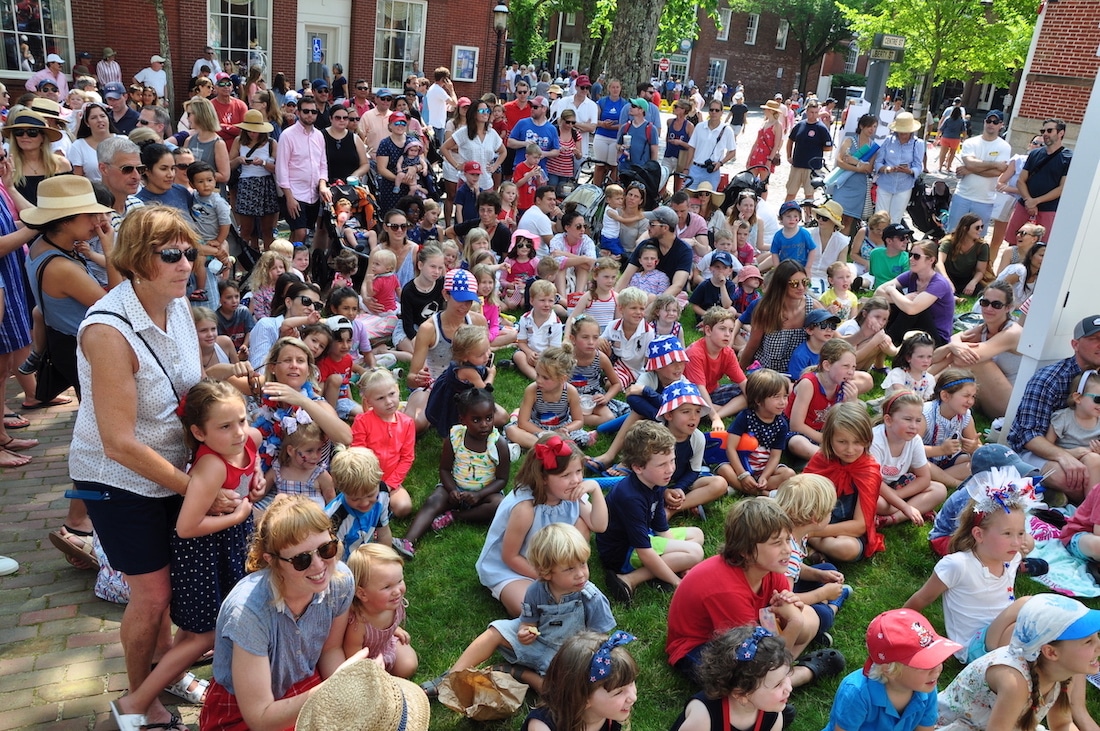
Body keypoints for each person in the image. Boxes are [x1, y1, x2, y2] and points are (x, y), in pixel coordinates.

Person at [67, 207, 227, 730]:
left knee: (172, 587)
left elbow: (193, 385)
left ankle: (164, 672)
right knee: (152, 593)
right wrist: (196, 489)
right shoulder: (108, 332)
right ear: (137, 260)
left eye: (190, 252)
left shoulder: (176, 304)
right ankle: (141, 700)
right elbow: (118, 443)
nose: (186, 264)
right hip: (119, 479)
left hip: (172, 468)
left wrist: (240, 384)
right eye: (171, 254)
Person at [111, 380, 259, 729]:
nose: (238, 432)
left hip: (228, 545)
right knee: (206, 634)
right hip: (203, 554)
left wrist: (257, 481)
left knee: (196, 634)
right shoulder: (212, 467)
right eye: (225, 426)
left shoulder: (248, 441)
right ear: (199, 432)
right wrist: (238, 516)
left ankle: (153, 690)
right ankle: (136, 701)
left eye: (241, 419)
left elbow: (251, 471)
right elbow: (186, 527)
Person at [195, 496, 360, 729]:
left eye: (326, 548)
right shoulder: (248, 612)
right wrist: (332, 690)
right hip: (248, 708)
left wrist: (346, 699)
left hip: (305, 683)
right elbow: (260, 718)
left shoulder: (340, 581)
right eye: (301, 559)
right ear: (272, 561)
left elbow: (330, 649)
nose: (319, 566)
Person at [666, 496, 843, 687]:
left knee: (812, 618)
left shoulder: (771, 569)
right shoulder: (727, 591)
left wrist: (793, 614)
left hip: (742, 634)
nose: (788, 550)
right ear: (747, 551)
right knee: (745, 683)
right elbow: (752, 659)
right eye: (777, 543)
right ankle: (802, 673)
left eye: (788, 540)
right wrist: (794, 622)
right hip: (699, 646)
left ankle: (777, 682)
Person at [422, 523, 615, 695]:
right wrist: (524, 630)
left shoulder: (591, 597)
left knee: (564, 691)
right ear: (546, 573)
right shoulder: (536, 590)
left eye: (583, 564)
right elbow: (528, 620)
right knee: (495, 631)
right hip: (538, 642)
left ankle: (523, 674)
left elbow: (601, 640)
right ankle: (450, 678)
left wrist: (578, 662)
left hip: (568, 655)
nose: (581, 574)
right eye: (569, 569)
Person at [475, 433, 609, 617]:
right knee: (531, 610)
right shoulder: (525, 508)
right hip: (515, 568)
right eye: (566, 475)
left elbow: (599, 525)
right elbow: (510, 557)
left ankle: (566, 569)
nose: (576, 480)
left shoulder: (571, 492)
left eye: (579, 471)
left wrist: (594, 488)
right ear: (543, 477)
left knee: (583, 523)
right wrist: (548, 578)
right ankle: (515, 595)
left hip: (550, 560)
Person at [936, 593, 1100, 731]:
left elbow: (1062, 723)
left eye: (1096, 637)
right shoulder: (1015, 682)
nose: (1098, 646)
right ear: (1051, 652)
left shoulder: (1062, 673)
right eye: (1088, 642)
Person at [597, 420, 706, 603]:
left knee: (697, 534)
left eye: (672, 460)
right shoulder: (630, 497)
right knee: (695, 552)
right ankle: (628, 580)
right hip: (622, 552)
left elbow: (660, 525)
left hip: (643, 539)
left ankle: (666, 568)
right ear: (638, 467)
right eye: (662, 464)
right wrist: (678, 583)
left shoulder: (656, 481)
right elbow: (644, 551)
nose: (670, 469)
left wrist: (676, 551)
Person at [1008, 313, 1100, 502]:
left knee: (1090, 469)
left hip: (1090, 454)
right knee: (1066, 476)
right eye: (1094, 339)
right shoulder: (1049, 379)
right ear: (1075, 345)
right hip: (1042, 452)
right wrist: (1064, 456)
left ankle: (1063, 498)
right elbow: (1029, 435)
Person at [823, 608, 962, 731]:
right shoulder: (857, 693)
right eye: (925, 665)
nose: (937, 669)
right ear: (889, 670)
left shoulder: (926, 686)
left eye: (937, 658)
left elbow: (925, 728)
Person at [804, 402, 886, 562]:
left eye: (857, 442)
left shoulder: (868, 471)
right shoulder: (822, 459)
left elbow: (859, 526)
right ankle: (806, 542)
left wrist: (812, 532)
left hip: (847, 531)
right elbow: (803, 499)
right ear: (829, 438)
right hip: (817, 519)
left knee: (847, 549)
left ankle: (805, 540)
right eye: (842, 442)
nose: (850, 449)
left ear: (867, 440)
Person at [670, 625, 792, 731]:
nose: (789, 688)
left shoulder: (773, 715)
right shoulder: (703, 717)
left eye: (787, 676)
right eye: (778, 684)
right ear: (741, 694)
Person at [930, 280, 1022, 419]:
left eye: (996, 305)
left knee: (972, 360)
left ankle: (923, 388)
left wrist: (954, 347)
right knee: (957, 354)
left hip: (1011, 406)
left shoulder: (1012, 332)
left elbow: (971, 356)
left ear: (1008, 308)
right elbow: (951, 342)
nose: (989, 309)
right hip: (988, 396)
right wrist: (952, 345)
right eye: (985, 303)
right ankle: (922, 387)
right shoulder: (984, 328)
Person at [520, 630, 638, 731]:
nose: (633, 697)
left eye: (632, 682)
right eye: (618, 692)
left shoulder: (609, 715)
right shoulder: (542, 727)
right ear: (583, 698)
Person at [871, 390, 947, 527]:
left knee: (940, 490)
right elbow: (875, 482)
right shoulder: (875, 440)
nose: (914, 426)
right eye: (907, 419)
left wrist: (897, 495)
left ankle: (891, 519)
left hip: (898, 487)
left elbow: (924, 478)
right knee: (877, 503)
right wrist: (901, 501)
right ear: (888, 420)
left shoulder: (915, 440)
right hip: (875, 488)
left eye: (918, 420)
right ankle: (914, 507)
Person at [738, 260, 817, 374]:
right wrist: (740, 375)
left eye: (805, 282)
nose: (801, 287)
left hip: (801, 373)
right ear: (781, 285)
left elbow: (832, 338)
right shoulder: (766, 310)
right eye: (794, 283)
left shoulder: (813, 307)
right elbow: (752, 346)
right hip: (768, 374)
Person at [876, 239, 955, 347]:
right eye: (910, 254)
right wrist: (901, 296)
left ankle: (888, 339)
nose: (911, 259)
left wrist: (892, 291)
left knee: (911, 304)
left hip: (936, 339)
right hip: (916, 329)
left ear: (931, 260)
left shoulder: (939, 283)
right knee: (900, 298)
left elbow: (912, 309)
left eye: (916, 256)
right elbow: (878, 292)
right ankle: (882, 333)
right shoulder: (912, 275)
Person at [947, 111, 1011, 238]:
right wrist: (995, 164)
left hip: (985, 199)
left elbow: (997, 172)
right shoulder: (970, 142)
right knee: (953, 235)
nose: (991, 124)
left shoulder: (1004, 146)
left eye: (995, 122)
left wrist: (970, 170)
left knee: (977, 238)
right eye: (988, 121)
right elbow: (970, 162)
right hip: (962, 195)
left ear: (1001, 125)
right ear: (984, 122)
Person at [1005, 118, 1071, 240]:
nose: (1045, 134)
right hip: (1024, 206)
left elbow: (1062, 188)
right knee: (1015, 244)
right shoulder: (1035, 154)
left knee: (1039, 248)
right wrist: (1028, 200)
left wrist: (1036, 201)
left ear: (1061, 133)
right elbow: (1021, 180)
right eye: (1043, 131)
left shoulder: (1068, 157)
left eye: (1049, 130)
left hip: (1047, 210)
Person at [276, 95, 330, 243]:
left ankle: (291, 262)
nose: (310, 115)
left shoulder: (319, 135)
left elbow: (322, 164)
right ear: (298, 112)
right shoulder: (287, 135)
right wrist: (289, 198)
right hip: (294, 193)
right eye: (306, 111)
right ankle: (294, 263)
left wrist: (323, 185)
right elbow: (281, 169)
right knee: (301, 233)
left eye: (313, 112)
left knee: (299, 234)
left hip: (314, 194)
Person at [614, 206, 693, 298]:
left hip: (668, 299)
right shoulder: (645, 245)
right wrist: (614, 299)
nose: (648, 227)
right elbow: (626, 277)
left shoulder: (684, 251)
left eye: (652, 224)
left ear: (665, 228)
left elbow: (677, 286)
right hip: (643, 295)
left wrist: (656, 304)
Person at [4, 110, 71, 203]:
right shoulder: (8, 167)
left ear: (43, 137)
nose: (25, 136)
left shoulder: (61, 164)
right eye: (19, 132)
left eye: (32, 132)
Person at [873, 112, 925, 226]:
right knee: (879, 218)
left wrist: (910, 171)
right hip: (885, 183)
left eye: (906, 131)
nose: (903, 134)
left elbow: (918, 166)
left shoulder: (918, 143)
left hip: (904, 185)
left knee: (895, 219)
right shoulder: (888, 140)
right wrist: (886, 168)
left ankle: (891, 242)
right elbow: (877, 162)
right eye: (901, 131)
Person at [441, 101, 505, 192]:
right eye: (482, 111)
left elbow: (503, 151)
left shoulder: (492, 133)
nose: (486, 113)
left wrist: (494, 166)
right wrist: (457, 165)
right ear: (474, 114)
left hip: (486, 183)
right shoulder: (464, 132)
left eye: (487, 110)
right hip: (467, 182)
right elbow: (444, 148)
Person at [830, 113, 877, 234]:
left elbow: (869, 168)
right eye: (869, 126)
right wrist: (859, 167)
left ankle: (842, 247)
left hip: (859, 187)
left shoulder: (873, 146)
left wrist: (853, 162)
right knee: (835, 216)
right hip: (844, 184)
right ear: (861, 126)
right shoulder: (850, 140)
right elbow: (840, 161)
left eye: (874, 126)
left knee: (849, 220)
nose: (872, 129)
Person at [784, 99, 832, 202]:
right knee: (791, 192)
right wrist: (789, 156)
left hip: (812, 167)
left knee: (809, 195)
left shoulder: (821, 128)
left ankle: (808, 216)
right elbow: (790, 140)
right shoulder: (799, 125)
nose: (813, 115)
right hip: (797, 164)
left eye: (816, 112)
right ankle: (785, 212)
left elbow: (829, 147)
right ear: (807, 112)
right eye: (811, 112)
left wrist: (815, 147)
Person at [685, 98, 735, 189]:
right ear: (708, 111)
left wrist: (720, 162)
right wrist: (687, 168)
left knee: (707, 201)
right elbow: (691, 148)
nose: (714, 112)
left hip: (711, 172)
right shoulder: (700, 127)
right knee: (688, 197)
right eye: (711, 110)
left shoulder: (727, 130)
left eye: (717, 110)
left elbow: (732, 152)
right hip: (695, 168)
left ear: (722, 112)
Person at [937, 213, 989, 298]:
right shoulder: (948, 242)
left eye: (982, 227)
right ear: (965, 228)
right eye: (977, 227)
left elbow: (980, 271)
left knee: (984, 292)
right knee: (939, 287)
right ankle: (953, 297)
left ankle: (954, 296)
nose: (980, 230)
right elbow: (939, 263)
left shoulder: (982, 246)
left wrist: (973, 283)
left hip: (967, 279)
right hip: (948, 276)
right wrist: (947, 281)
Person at [182, 97, 231, 184]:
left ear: (200, 115)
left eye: (189, 114)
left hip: (212, 194)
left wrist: (198, 174)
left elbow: (224, 176)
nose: (187, 118)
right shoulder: (188, 141)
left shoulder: (218, 143)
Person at [592, 79, 627, 186]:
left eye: (617, 87)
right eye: (613, 87)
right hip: (601, 135)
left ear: (620, 89)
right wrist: (603, 124)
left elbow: (625, 124)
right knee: (600, 165)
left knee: (614, 166)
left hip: (616, 138)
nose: (615, 90)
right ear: (609, 88)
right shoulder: (602, 102)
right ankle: (596, 189)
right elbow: (594, 120)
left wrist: (613, 127)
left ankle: (610, 190)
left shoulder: (625, 104)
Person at [210, 72, 248, 145]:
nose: (226, 87)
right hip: (216, 147)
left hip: (238, 149)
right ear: (215, 87)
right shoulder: (210, 106)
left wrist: (222, 126)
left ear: (232, 86)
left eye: (228, 84)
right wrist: (234, 131)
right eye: (221, 84)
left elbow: (244, 131)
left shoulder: (241, 105)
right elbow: (212, 131)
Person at [936, 107, 965, 173]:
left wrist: (937, 136)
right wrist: (964, 138)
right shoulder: (961, 121)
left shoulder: (948, 119)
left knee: (943, 153)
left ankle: (940, 167)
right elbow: (964, 131)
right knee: (952, 153)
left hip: (945, 137)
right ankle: (948, 167)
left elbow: (941, 128)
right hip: (955, 139)